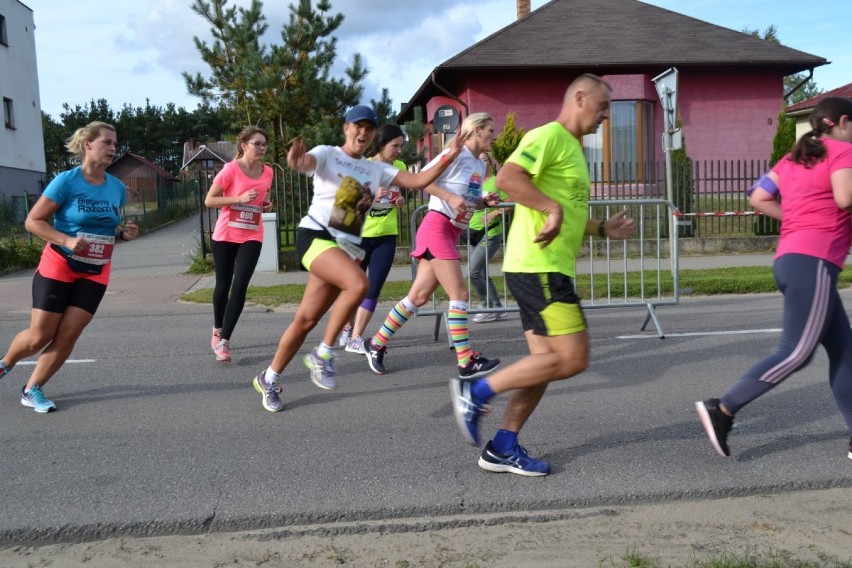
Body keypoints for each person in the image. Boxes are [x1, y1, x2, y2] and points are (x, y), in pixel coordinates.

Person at [449, 74, 635, 476]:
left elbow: (566, 209)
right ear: (579, 98)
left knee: (545, 363)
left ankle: (502, 446)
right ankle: (476, 390)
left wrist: (601, 228)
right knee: (573, 358)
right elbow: (510, 179)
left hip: (542, 266)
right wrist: (550, 210)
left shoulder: (572, 149)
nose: (606, 116)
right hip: (540, 266)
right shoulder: (548, 135)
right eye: (602, 107)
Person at [251, 105, 470, 412]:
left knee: (306, 320)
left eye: (369, 128)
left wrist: (451, 152)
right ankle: (323, 354)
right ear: (346, 128)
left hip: (342, 247)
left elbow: (420, 182)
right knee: (359, 285)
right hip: (315, 236)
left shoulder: (376, 169)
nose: (363, 132)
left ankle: (268, 378)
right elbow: (304, 162)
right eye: (358, 126)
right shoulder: (328, 153)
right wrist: (296, 160)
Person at [695, 96, 852, 461]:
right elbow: (845, 198)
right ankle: (723, 409)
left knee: (846, 351)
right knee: (796, 352)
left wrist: (797, 220)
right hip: (813, 261)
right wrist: (813, 223)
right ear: (843, 121)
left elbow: (758, 196)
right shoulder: (842, 151)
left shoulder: (794, 156)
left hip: (791, 258)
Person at [0, 121, 139, 412]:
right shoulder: (66, 181)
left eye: (115, 144)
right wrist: (66, 239)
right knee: (40, 335)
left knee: (69, 333)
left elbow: (108, 227)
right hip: (60, 263)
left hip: (97, 269)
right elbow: (33, 222)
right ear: (88, 144)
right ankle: (5, 363)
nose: (113, 149)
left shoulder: (116, 187)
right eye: (107, 143)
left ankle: (32, 388)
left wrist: (123, 233)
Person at [363, 112, 503, 380]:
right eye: (490, 130)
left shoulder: (480, 166)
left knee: (417, 298)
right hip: (437, 226)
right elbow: (425, 181)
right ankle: (465, 360)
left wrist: (484, 201)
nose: (494, 136)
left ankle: (376, 342)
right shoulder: (456, 153)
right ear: (476, 131)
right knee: (459, 293)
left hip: (451, 231)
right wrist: (450, 196)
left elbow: (467, 199)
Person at [204, 126, 274, 363]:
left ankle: (224, 341)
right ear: (244, 145)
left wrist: (266, 205)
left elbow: (263, 198)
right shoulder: (230, 169)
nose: (262, 147)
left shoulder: (268, 172)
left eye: (264, 144)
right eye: (257, 143)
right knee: (223, 285)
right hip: (226, 234)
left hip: (252, 233)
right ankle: (217, 327)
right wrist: (239, 199)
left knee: (240, 285)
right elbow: (210, 200)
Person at [338, 124, 408, 354]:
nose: (399, 150)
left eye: (401, 145)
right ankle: (347, 328)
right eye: (395, 146)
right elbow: (347, 202)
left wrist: (400, 202)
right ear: (381, 144)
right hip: (360, 237)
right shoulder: (364, 166)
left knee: (373, 288)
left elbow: (402, 194)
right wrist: (370, 196)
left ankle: (356, 337)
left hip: (386, 235)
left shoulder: (400, 167)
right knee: (353, 287)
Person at [467, 152, 511, 323]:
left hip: (491, 232)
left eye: (485, 160)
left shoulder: (496, 181)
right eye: (479, 160)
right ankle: (498, 308)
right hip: (473, 231)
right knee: (480, 271)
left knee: (473, 272)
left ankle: (487, 307)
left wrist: (495, 212)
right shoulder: (474, 182)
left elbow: (511, 202)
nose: (482, 163)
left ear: (490, 163)